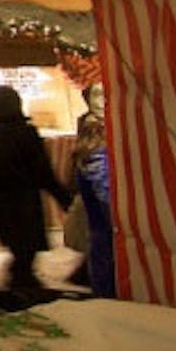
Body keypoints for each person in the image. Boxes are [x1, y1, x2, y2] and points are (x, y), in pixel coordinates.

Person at [0, 86, 74, 290]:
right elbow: (43, 171)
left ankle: (20, 282)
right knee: (26, 249)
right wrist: (63, 198)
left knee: (19, 247)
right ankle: (21, 285)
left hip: (0, 200)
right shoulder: (26, 133)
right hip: (23, 199)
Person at [73, 86, 115, 297]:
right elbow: (104, 192)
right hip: (107, 238)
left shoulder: (94, 132)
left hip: (103, 238)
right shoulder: (96, 139)